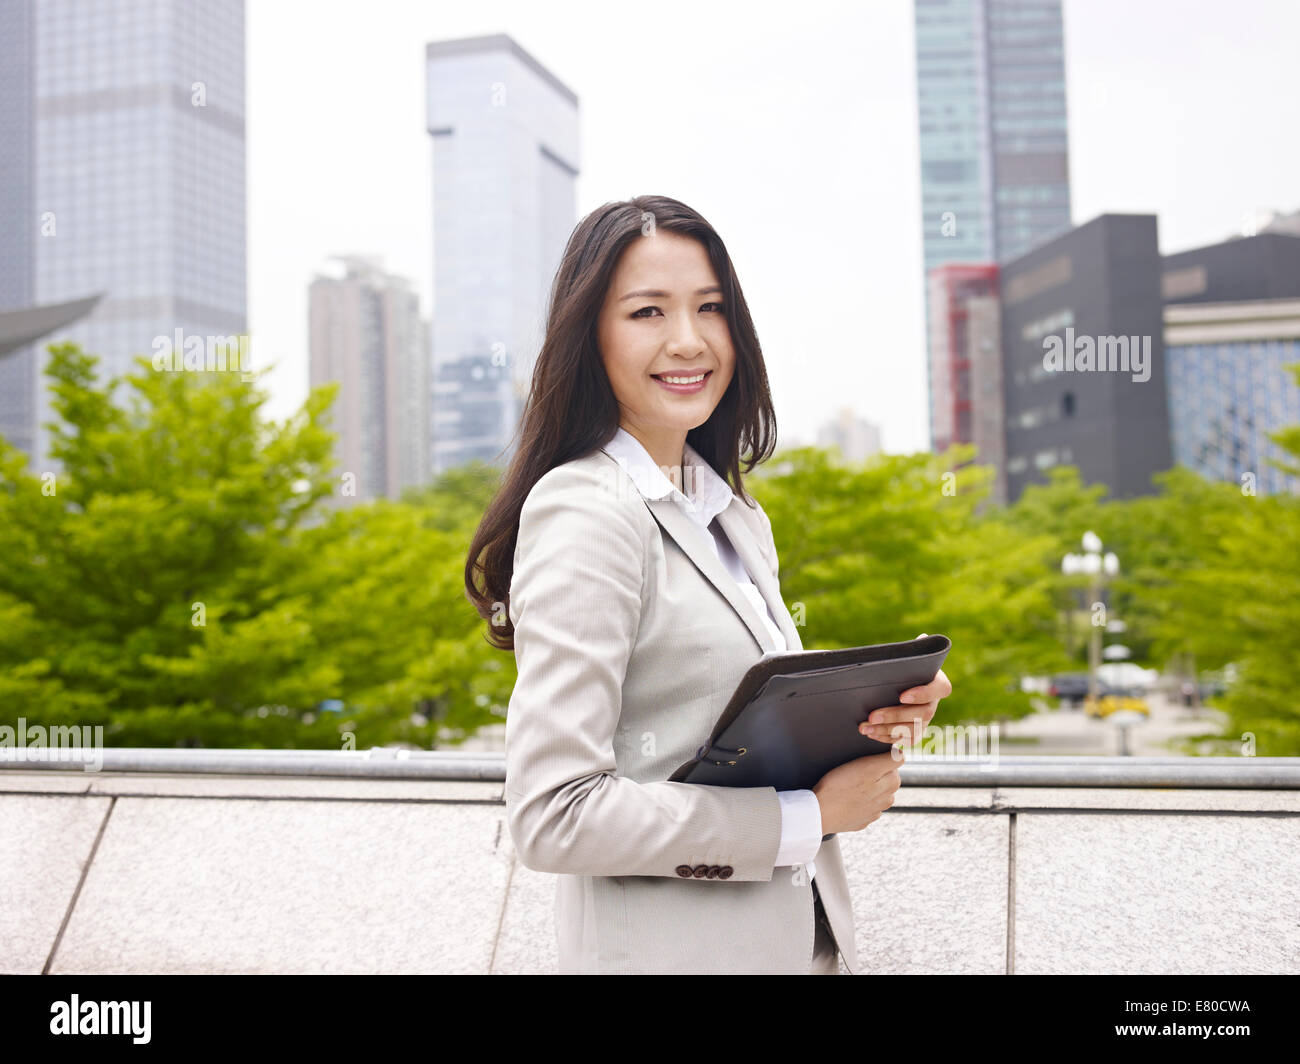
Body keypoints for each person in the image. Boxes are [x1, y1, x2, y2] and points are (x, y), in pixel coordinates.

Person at [465, 194, 951, 974]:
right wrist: (808, 817)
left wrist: (871, 704)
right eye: (647, 312)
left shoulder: (730, 511)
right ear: (588, 338)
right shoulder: (586, 509)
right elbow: (553, 816)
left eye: (710, 308)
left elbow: (717, 711)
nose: (688, 341)